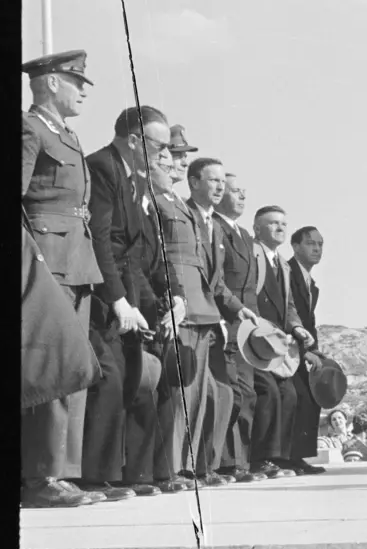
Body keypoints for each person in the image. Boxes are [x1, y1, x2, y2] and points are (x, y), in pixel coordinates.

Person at [20, 50, 108, 509]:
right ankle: (39, 477)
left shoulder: (67, 134)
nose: (83, 90)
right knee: (50, 369)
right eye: (76, 81)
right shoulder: (29, 128)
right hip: (46, 259)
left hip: (76, 260)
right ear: (51, 83)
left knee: (72, 370)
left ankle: (64, 473)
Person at [79, 106, 178, 500]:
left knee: (133, 378)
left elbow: (135, 252)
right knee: (112, 379)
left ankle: (126, 474)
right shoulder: (103, 167)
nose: (164, 154)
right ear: (136, 140)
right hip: (104, 292)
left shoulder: (133, 178)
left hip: (128, 290)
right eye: (160, 145)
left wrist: (142, 303)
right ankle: (96, 476)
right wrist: (117, 299)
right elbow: (101, 239)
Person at [154, 157, 257, 487]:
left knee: (218, 395)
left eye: (221, 183)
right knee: (187, 396)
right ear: (193, 182)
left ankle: (201, 466)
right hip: (188, 315)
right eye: (212, 181)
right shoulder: (184, 214)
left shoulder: (211, 223)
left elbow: (215, 280)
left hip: (211, 317)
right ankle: (175, 469)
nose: (219, 187)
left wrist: (238, 308)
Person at [248, 205, 320, 475]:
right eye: (273, 224)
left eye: (283, 224)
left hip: (279, 344)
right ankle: (259, 458)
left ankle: (279, 457)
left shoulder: (283, 266)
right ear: (257, 229)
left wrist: (298, 327)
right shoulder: (251, 255)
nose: (279, 228)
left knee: (289, 395)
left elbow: (289, 306)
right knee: (267, 393)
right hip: (255, 339)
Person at [213, 173, 273, 482]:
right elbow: (217, 279)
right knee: (234, 392)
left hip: (246, 327)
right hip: (226, 320)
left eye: (243, 192)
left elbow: (250, 287)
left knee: (247, 394)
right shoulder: (215, 227)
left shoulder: (246, 236)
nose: (241, 197)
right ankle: (226, 462)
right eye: (235, 191)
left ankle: (242, 462)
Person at [288, 226, 324, 464]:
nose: (317, 248)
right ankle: (290, 457)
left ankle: (300, 457)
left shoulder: (311, 283)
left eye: (320, 244)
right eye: (311, 243)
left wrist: (314, 350)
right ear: (295, 246)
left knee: (313, 395)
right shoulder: (287, 272)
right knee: (297, 398)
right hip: (287, 346)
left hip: (305, 348)